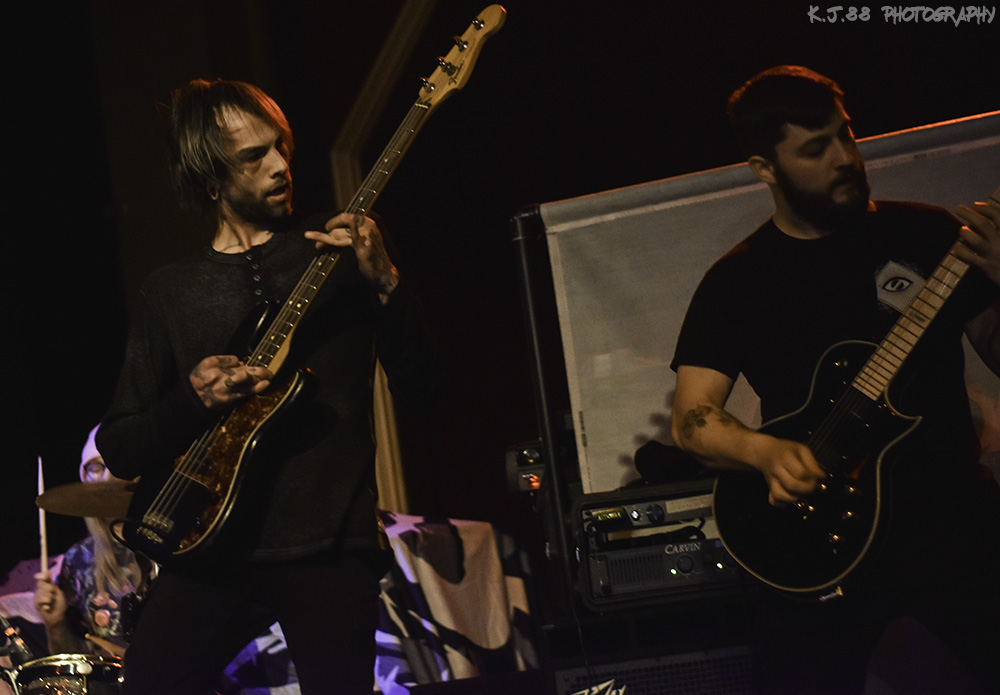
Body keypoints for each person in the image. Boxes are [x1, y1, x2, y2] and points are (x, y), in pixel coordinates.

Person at [96, 79, 438, 695]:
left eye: (279, 146)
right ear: (210, 179)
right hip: (209, 552)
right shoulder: (171, 293)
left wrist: (386, 284)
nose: (280, 165)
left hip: (330, 547)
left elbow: (424, 391)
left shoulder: (339, 255)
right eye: (253, 157)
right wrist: (191, 401)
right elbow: (120, 446)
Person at [670, 65, 999, 694]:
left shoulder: (930, 235)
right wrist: (761, 451)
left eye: (846, 135)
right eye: (816, 148)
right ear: (764, 168)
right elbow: (693, 419)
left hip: (952, 521)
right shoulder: (736, 281)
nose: (846, 158)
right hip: (813, 537)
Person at [34, 425, 151, 658]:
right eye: (95, 467)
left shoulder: (171, 550)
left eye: (114, 465)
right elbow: (74, 667)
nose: (105, 477)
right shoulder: (77, 560)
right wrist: (55, 624)